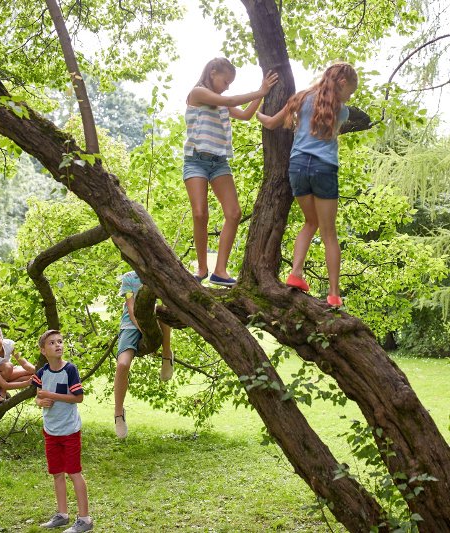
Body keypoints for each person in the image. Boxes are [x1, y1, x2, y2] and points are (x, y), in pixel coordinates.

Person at [256, 63, 358, 307]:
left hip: (298, 167)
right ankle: (333, 294)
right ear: (343, 83)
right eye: (351, 92)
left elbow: (270, 122)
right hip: (324, 169)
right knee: (329, 232)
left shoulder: (301, 98)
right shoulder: (342, 111)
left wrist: (258, 113)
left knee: (310, 222)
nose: (350, 97)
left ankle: (296, 274)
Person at [184, 57, 278, 286]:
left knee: (234, 213)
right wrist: (260, 90)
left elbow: (245, 115)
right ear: (213, 72)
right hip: (196, 160)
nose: (227, 86)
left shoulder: (222, 103)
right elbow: (231, 99)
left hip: (219, 162)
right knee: (199, 214)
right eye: (226, 81)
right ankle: (202, 268)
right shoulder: (198, 93)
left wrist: (264, 94)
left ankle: (220, 271)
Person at [33, 329, 93, 533]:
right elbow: (37, 397)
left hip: (69, 431)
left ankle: (85, 520)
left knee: (74, 472)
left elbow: (78, 398)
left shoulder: (70, 370)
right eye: (52, 343)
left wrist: (53, 395)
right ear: (43, 350)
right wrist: (42, 400)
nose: (58, 345)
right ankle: (62, 515)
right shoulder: (42, 373)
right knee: (57, 473)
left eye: (60, 341)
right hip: (50, 431)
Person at [114, 270, 174, 439]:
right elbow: (131, 307)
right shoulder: (128, 278)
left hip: (156, 318)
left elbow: (167, 301)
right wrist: (144, 329)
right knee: (122, 364)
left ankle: (167, 355)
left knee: (163, 312)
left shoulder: (159, 272)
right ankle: (119, 413)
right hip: (130, 324)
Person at [0, 326, 36, 405]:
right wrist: (26, 383)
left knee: (32, 374)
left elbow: (25, 364)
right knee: (8, 366)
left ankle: (2, 389)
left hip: (7, 372)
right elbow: (4, 384)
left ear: (2, 338)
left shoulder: (10, 344)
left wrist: (40, 371)